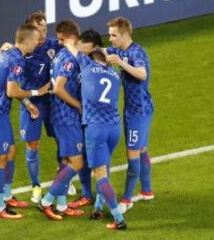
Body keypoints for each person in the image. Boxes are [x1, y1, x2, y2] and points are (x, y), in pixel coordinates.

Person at [0, 24, 50, 219]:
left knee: (11, 151)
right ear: (27, 41)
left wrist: (27, 103)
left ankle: (8, 195)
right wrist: (37, 92)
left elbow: (1, 82)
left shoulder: (8, 53)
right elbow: (11, 91)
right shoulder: (17, 58)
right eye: (36, 39)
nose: (38, 42)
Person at [63, 37, 127, 230]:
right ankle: (98, 207)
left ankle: (118, 219)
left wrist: (66, 40)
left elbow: (70, 45)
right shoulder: (116, 75)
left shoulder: (87, 65)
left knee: (100, 174)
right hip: (114, 128)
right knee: (104, 166)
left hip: (95, 127)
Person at [106, 17, 154, 214]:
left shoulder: (136, 52)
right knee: (141, 149)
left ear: (125, 35)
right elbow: (101, 52)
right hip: (131, 110)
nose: (110, 39)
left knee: (132, 154)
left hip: (139, 112)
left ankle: (126, 199)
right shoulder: (119, 50)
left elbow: (142, 74)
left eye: (113, 35)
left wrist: (120, 63)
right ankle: (147, 190)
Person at [38, 20, 84, 220]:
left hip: (60, 115)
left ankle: (63, 206)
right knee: (76, 162)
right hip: (66, 116)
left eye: (60, 38)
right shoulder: (67, 58)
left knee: (66, 162)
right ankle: (47, 200)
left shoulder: (62, 55)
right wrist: (78, 105)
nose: (58, 42)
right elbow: (58, 88)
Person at [68, 29, 104, 209]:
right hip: (86, 116)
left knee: (98, 159)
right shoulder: (96, 60)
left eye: (84, 43)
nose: (80, 45)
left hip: (94, 119)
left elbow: (71, 46)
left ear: (94, 46)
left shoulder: (91, 62)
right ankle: (88, 194)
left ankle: (99, 197)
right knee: (86, 156)